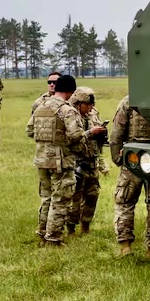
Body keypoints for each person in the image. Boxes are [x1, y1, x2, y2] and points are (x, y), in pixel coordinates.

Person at [28, 74, 94, 246]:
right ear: (71, 91)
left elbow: (30, 130)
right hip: (60, 161)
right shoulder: (67, 110)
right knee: (60, 199)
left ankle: (42, 232)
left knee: (46, 198)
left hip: (41, 159)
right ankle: (53, 238)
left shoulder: (41, 106)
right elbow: (75, 135)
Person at [110, 95, 150, 258]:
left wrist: (118, 158)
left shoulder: (130, 100)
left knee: (125, 201)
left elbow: (117, 131)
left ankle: (125, 245)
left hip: (133, 158)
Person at [66, 86, 108, 236]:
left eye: (92, 104)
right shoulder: (69, 115)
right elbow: (71, 138)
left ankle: (86, 225)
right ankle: (71, 227)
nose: (90, 107)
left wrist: (102, 133)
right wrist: (90, 133)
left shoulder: (93, 113)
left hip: (92, 161)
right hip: (76, 162)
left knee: (92, 195)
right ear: (78, 103)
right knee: (74, 198)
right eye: (87, 104)